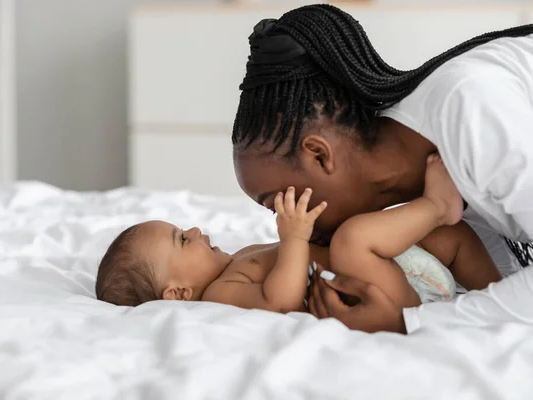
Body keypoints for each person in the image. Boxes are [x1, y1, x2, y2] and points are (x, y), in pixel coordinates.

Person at [230, 4, 533, 332]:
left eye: (276, 201)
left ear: (319, 155)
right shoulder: (436, 184)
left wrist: (409, 321)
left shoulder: (473, 115)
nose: (284, 220)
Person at [96, 155, 501, 315]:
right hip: (385, 293)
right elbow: (282, 297)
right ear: (178, 293)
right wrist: (293, 240)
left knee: (451, 237)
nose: (196, 230)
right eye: (183, 239)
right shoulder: (222, 293)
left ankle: (504, 292)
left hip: (398, 267)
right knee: (352, 241)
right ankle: (435, 204)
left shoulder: (242, 256)